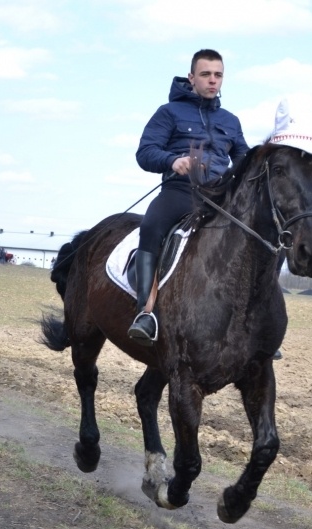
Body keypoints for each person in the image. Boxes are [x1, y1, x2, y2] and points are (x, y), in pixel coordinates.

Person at [127, 49, 249, 346]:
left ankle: (252, 323)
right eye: (206, 74)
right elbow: (145, 152)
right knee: (151, 226)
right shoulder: (168, 113)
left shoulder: (231, 121)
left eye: (218, 75)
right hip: (180, 192)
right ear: (192, 77)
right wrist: (172, 160)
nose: (212, 81)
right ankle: (145, 312)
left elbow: (244, 158)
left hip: (220, 197)